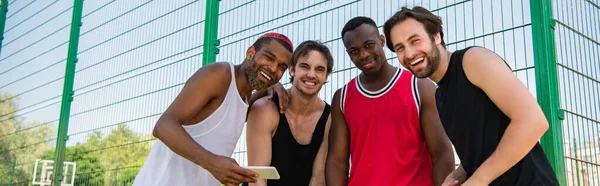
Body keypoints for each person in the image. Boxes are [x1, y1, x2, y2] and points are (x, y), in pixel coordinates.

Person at [383, 6, 560, 186]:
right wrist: (457, 176)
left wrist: (479, 179)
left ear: (436, 36)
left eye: (415, 40)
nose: (409, 53)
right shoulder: (440, 96)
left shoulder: (473, 60)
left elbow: (533, 121)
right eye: (400, 48)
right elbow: (483, 151)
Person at [132, 32, 294, 186]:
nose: (273, 68)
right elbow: (163, 126)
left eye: (281, 67)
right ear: (250, 52)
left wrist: (273, 85)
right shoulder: (219, 74)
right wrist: (213, 164)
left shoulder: (245, 100)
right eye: (268, 57)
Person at [325, 16, 455, 186]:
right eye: (354, 51)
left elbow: (441, 153)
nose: (364, 55)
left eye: (369, 45)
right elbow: (337, 162)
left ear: (382, 41)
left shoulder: (419, 87)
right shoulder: (342, 97)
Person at [245, 40, 334, 186]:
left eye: (319, 69)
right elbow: (257, 179)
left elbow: (317, 180)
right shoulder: (265, 109)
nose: (312, 75)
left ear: (326, 77)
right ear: (292, 70)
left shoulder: (330, 118)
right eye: (305, 67)